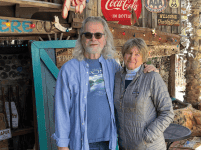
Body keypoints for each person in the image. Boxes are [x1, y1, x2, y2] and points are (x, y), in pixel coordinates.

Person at [52, 17, 157, 150]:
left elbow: (133, 81)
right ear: (82, 39)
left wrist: (148, 70)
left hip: (110, 140)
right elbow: (61, 110)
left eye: (98, 35)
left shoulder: (113, 66)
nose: (93, 39)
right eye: (88, 35)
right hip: (82, 142)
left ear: (105, 38)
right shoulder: (68, 70)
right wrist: (62, 145)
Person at [114, 38, 175, 150]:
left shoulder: (152, 77)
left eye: (137, 54)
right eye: (129, 53)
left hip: (149, 146)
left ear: (143, 57)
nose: (132, 57)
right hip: (125, 146)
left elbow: (167, 112)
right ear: (124, 55)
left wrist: (148, 136)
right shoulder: (117, 77)